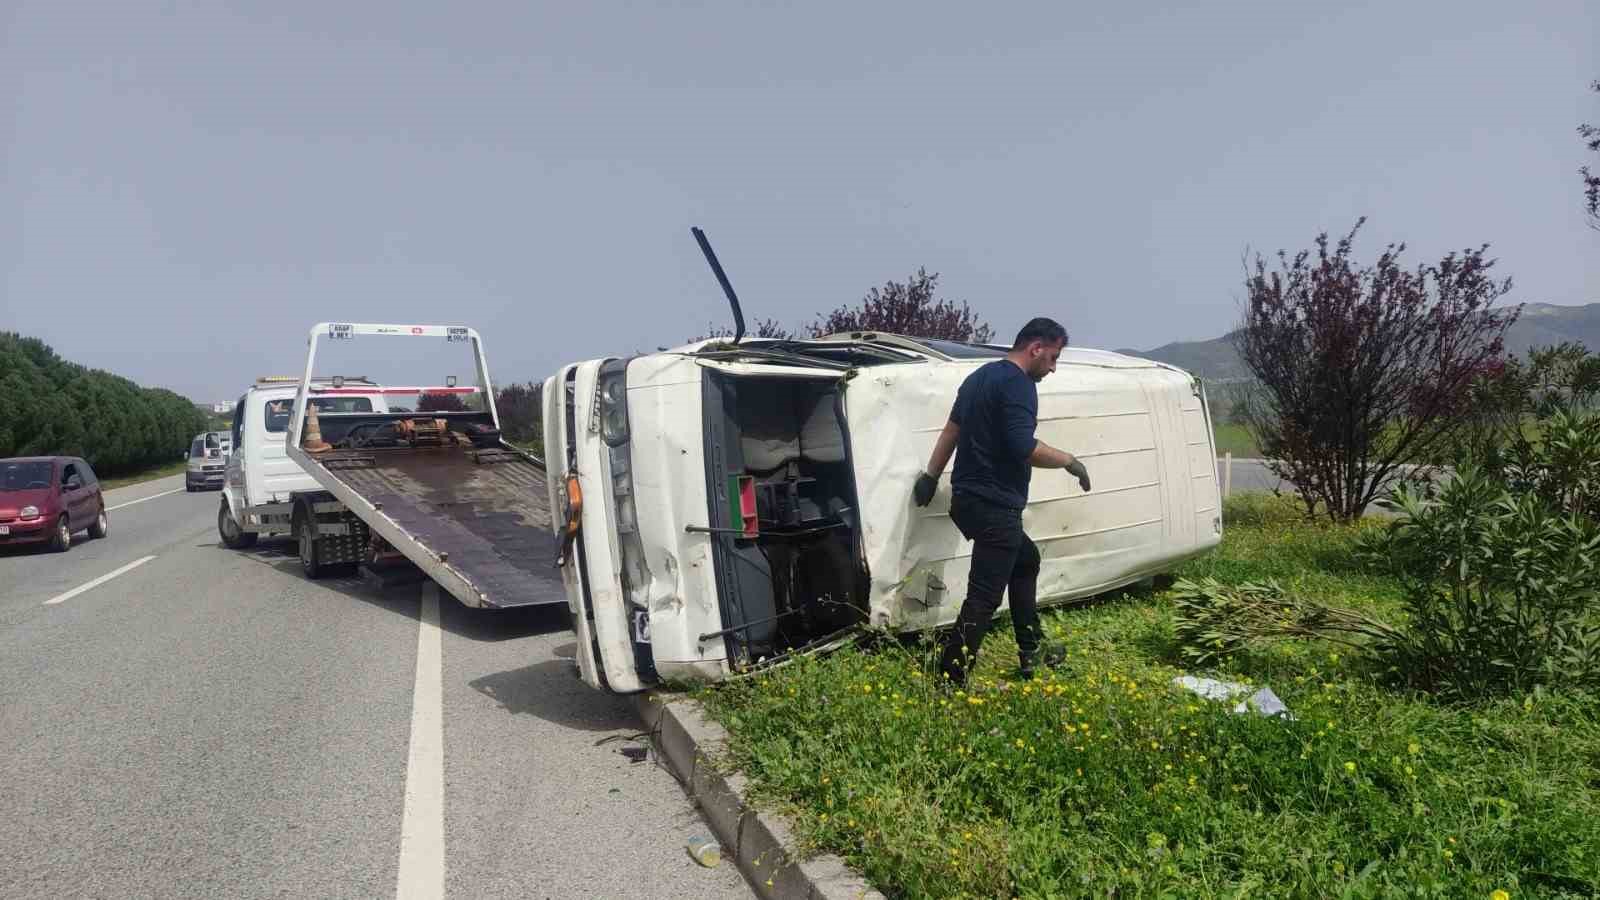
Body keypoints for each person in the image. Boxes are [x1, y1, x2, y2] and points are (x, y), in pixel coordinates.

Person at [912, 317, 1091, 685]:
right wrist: (1070, 461)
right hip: (995, 506)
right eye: (1053, 357)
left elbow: (952, 430)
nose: (1054, 368)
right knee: (984, 596)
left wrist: (931, 476)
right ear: (1036, 348)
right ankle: (950, 677)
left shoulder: (978, 378)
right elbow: (1024, 448)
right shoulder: (1019, 385)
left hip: (967, 501)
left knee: (1026, 561)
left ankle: (1032, 648)